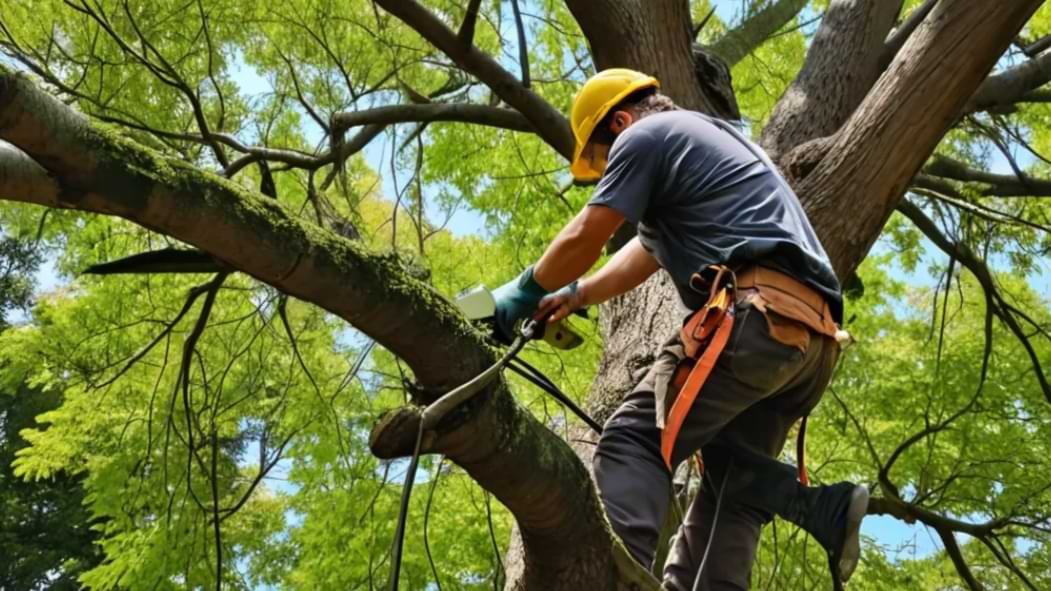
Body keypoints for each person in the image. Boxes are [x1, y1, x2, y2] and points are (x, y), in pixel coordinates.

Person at [492, 68, 868, 590]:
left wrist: (522, 290)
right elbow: (643, 253)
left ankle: (610, 582)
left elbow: (588, 232)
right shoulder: (709, 147)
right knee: (731, 489)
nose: (608, 175)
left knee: (632, 441)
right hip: (808, 341)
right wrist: (574, 294)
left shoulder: (644, 136)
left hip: (755, 319)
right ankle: (817, 506)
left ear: (620, 122)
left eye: (604, 163)